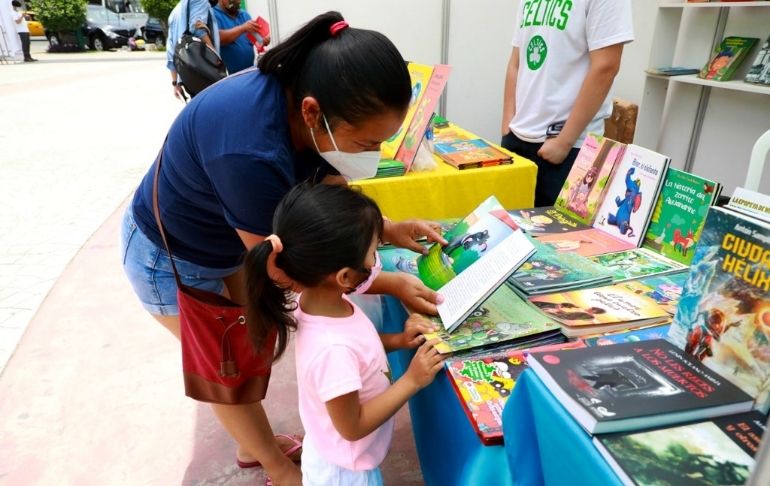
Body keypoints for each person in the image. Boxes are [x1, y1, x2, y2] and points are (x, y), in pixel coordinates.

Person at [122, 11, 445, 486]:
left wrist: (388, 228)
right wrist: (391, 282)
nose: (372, 155)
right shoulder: (250, 153)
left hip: (228, 238)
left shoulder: (306, 107)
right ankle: (275, 466)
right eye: (366, 141)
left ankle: (254, 443)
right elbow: (297, 265)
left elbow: (326, 189)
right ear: (313, 112)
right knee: (226, 368)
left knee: (249, 343)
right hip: (170, 255)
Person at [244, 183, 445, 485]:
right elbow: (352, 426)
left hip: (339, 457)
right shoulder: (331, 350)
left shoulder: (324, 303)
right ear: (345, 277)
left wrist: (398, 341)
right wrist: (412, 380)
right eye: (373, 254)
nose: (376, 261)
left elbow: (359, 349)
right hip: (345, 473)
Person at [501, 0, 633, 207]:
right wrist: (507, 125)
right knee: (509, 231)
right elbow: (516, 62)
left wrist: (564, 141)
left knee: (562, 236)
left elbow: (606, 67)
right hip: (517, 139)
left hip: (570, 148)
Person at [166, 0, 220, 100]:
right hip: (203, 70)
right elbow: (197, 28)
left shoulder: (176, 11)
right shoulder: (201, 1)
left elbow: (170, 51)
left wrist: (175, 83)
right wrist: (217, 58)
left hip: (187, 73)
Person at [212, 0, 270, 74]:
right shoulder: (214, 14)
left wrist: (262, 40)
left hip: (248, 72)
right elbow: (218, 38)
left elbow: (255, 39)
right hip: (228, 76)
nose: (237, 5)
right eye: (232, 2)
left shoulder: (244, 15)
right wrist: (243, 28)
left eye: (238, 2)